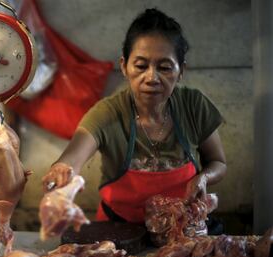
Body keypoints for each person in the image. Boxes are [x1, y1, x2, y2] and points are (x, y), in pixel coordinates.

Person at [42, 8, 227, 223]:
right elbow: (70, 161)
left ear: (181, 70)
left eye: (165, 67)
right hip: (118, 233)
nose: (151, 77)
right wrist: (60, 173)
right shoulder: (107, 113)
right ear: (124, 66)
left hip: (180, 229)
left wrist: (204, 178)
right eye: (141, 66)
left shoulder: (194, 106)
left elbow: (218, 162)